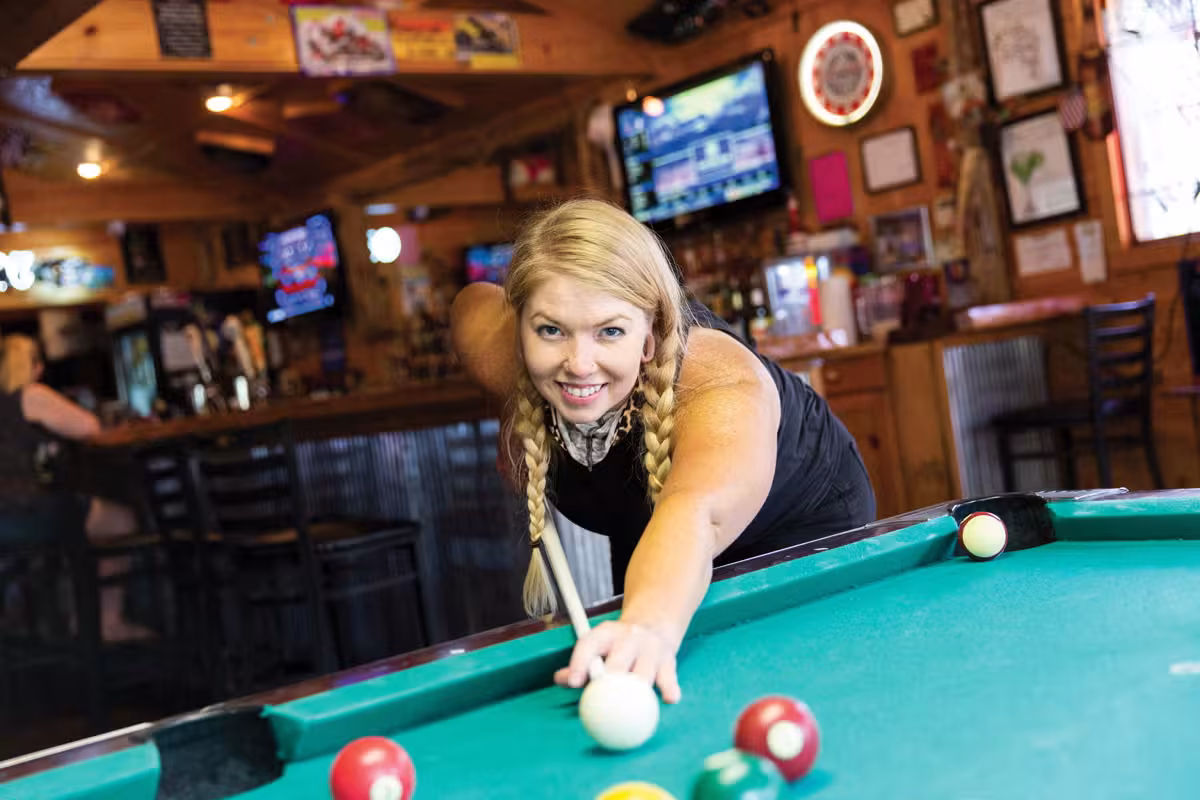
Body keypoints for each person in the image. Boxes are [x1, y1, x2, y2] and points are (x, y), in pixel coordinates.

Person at [450, 199, 875, 704]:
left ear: (649, 339)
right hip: (656, 528)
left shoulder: (717, 383)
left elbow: (697, 512)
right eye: (551, 330)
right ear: (519, 330)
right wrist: (515, 413)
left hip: (797, 523)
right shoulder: (498, 349)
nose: (579, 364)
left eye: (610, 331)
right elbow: (469, 305)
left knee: (776, 689)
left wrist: (648, 625)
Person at [0, 334, 149, 641]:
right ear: (29, 365)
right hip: (26, 513)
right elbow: (89, 427)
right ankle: (106, 621)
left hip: (7, 520)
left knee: (70, 531)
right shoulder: (29, 394)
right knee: (121, 520)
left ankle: (65, 620)